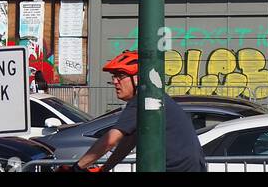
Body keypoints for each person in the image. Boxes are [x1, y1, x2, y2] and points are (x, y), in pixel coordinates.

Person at [70, 51, 207, 173]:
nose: (115, 82)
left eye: (121, 76)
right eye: (114, 77)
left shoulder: (144, 100)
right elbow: (128, 142)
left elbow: (110, 140)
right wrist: (105, 168)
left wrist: (77, 167)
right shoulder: (152, 99)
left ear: (137, 78)